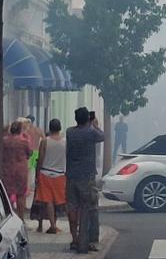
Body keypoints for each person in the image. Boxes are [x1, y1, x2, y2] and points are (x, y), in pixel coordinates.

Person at [66, 107, 104, 254]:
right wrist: (94, 124)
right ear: (87, 119)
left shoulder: (70, 132)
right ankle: (90, 241)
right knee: (90, 207)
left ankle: (75, 238)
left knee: (72, 207)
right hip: (87, 177)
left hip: (71, 176)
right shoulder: (91, 132)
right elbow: (102, 136)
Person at [34, 119, 67, 234]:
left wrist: (37, 174)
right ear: (60, 128)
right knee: (57, 201)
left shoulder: (44, 141)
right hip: (60, 174)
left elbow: (41, 158)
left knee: (48, 200)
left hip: (45, 173)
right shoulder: (65, 142)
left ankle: (52, 225)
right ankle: (54, 224)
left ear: (49, 128)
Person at [1, 120, 32, 218]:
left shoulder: (4, 141)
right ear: (20, 130)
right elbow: (30, 153)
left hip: (7, 169)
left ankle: (8, 216)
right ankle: (21, 217)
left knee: (7, 193)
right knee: (21, 194)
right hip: (20, 170)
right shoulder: (24, 142)